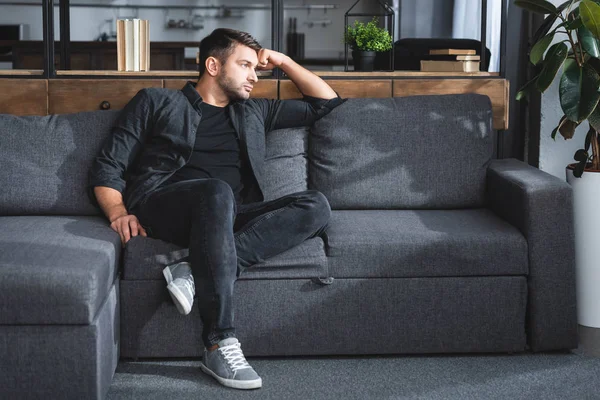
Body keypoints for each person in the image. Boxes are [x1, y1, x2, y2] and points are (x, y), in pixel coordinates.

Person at [89, 28, 344, 390]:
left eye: (257, 68)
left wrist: (283, 61)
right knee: (216, 191)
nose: (255, 76)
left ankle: (193, 268)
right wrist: (117, 211)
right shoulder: (157, 102)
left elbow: (327, 104)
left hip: (226, 217)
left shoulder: (254, 111)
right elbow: (108, 164)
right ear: (212, 65)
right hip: (164, 205)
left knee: (315, 204)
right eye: (245, 65)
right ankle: (218, 341)